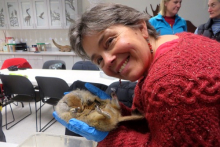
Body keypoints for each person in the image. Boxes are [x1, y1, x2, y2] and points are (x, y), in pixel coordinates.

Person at [53, 3, 220, 147]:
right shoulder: (180, 40)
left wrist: (111, 137)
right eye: (98, 60)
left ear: (141, 27)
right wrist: (119, 116)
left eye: (110, 41)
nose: (108, 60)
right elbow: (165, 124)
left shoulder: (170, 82)